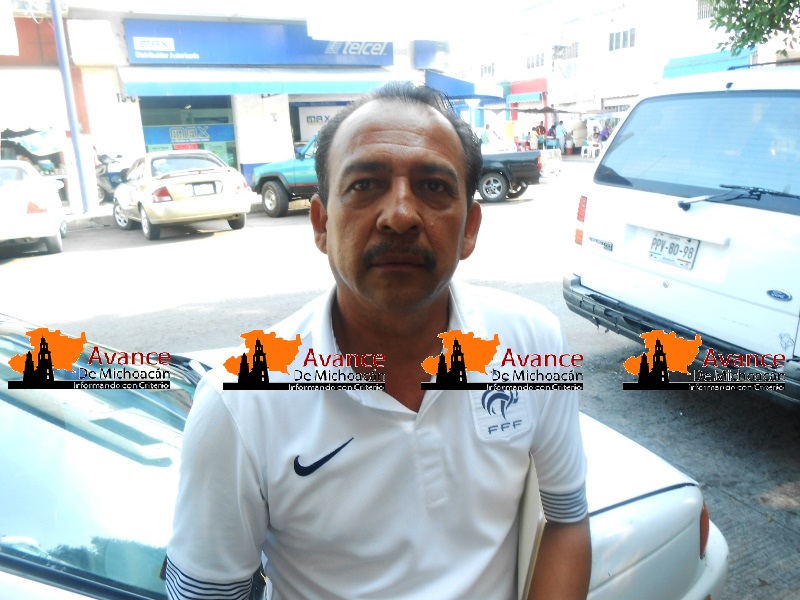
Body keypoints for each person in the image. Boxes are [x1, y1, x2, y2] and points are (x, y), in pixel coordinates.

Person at [166, 83, 591, 600]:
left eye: (434, 186)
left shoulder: (534, 343)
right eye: (366, 184)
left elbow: (566, 520)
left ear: (469, 229)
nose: (400, 215)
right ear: (321, 224)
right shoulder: (239, 403)